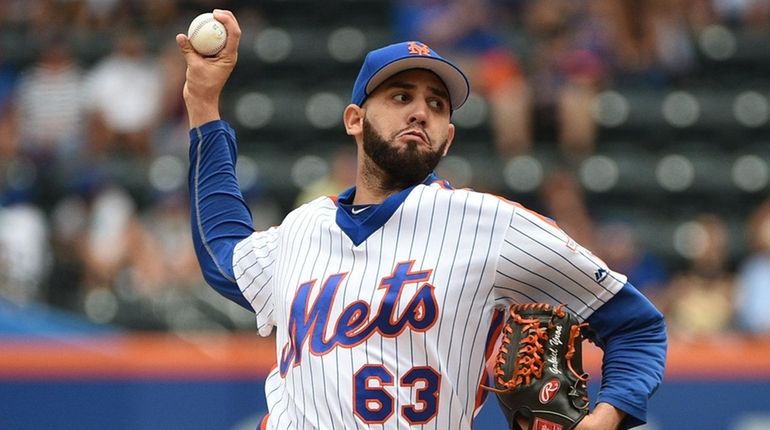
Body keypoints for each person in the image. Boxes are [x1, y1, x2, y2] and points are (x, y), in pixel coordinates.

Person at [176, 10, 666, 430]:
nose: (419, 112)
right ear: (354, 120)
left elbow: (637, 326)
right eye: (400, 96)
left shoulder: (491, 227)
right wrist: (203, 103)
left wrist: (609, 415)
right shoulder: (303, 228)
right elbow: (224, 253)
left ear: (448, 138)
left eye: (436, 104)